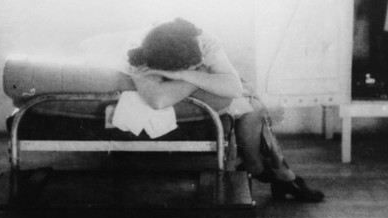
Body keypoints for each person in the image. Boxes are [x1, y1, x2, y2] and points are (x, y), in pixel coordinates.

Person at [127, 18, 324, 203]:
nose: (199, 62)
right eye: (191, 65)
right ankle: (278, 175)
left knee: (250, 105)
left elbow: (234, 87)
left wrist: (183, 74)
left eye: (198, 62)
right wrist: (200, 75)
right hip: (200, 84)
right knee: (247, 106)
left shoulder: (203, 39)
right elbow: (159, 100)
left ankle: (273, 173)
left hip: (206, 82)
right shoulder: (141, 54)